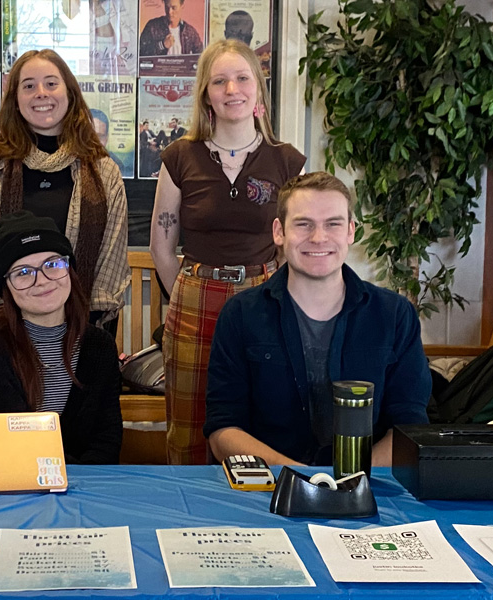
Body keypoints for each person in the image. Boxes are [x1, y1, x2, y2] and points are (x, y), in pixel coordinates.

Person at [149, 39, 306, 465]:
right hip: (196, 298)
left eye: (242, 78)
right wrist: (188, 289)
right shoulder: (179, 156)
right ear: (206, 93)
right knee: (189, 421)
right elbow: (162, 247)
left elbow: (298, 245)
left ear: (257, 87)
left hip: (264, 298)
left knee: (262, 413)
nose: (231, 88)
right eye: (219, 81)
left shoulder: (288, 162)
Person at [205, 172, 432, 466]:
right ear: (279, 231)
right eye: (303, 224)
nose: (318, 237)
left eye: (333, 224)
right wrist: (306, 482)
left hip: (371, 494)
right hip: (268, 493)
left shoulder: (395, 316)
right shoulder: (239, 315)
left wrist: (350, 484)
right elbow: (223, 429)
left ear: (351, 231)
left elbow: (410, 427)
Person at [0, 49, 130, 332]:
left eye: (51, 83)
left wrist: (74, 332)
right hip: (3, 334)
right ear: (15, 100)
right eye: (28, 86)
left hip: (86, 331)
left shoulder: (104, 172)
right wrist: (9, 330)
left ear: (70, 93)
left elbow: (109, 266)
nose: (41, 93)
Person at [0, 210, 123, 464]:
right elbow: (8, 445)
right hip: (7, 488)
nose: (42, 281)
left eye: (52, 265)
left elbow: (107, 439)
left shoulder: (99, 345)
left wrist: (80, 489)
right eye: (23, 272)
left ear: (70, 270)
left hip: (85, 489)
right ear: (6, 287)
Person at [139, 0, 203, 57]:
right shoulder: (152, 26)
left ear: (182, 6)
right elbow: (140, 52)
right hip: (159, 69)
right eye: (167, 7)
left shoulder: (190, 32)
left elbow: (202, 55)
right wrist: (162, 45)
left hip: (182, 70)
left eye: (174, 8)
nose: (170, 12)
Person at [89, 108, 127, 175]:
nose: (94, 142)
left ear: (106, 138)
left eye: (100, 136)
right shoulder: (71, 163)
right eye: (90, 136)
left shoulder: (116, 165)